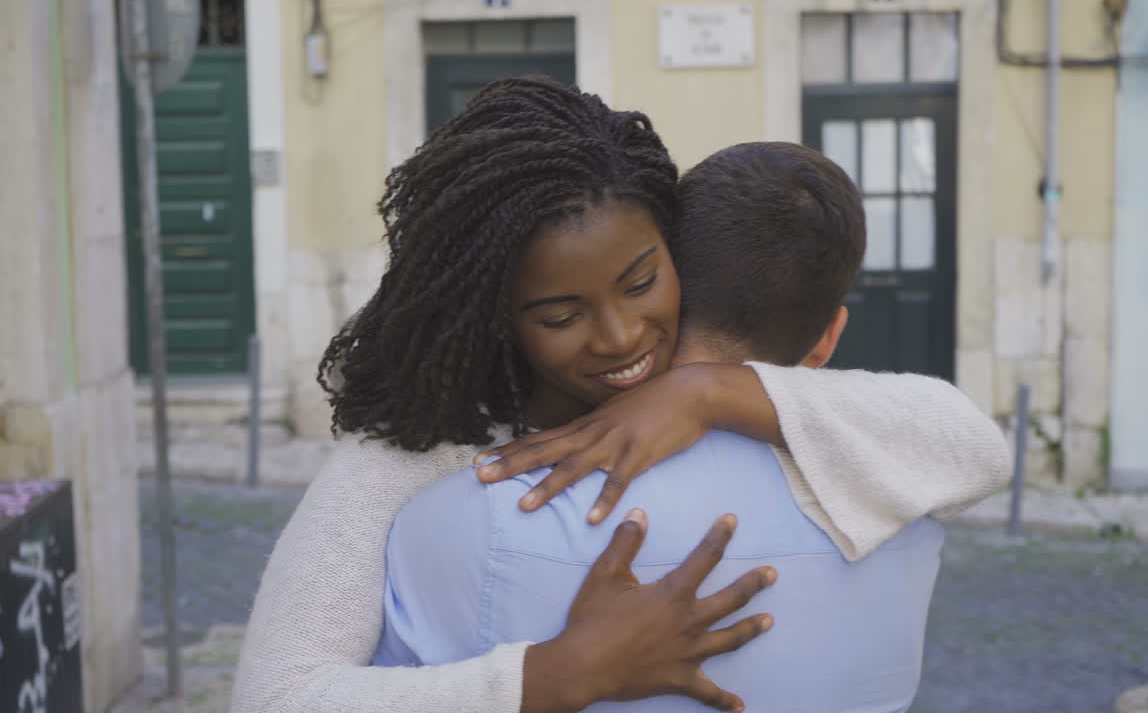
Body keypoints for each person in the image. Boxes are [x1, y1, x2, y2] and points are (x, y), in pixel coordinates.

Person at [231, 78, 1009, 713]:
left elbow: (970, 442)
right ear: (491, 316)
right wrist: (557, 675)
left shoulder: (714, 397)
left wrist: (712, 392)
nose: (619, 336)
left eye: (642, 281)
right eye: (560, 315)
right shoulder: (411, 457)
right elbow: (273, 697)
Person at [374, 142, 946, 712]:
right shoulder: (909, 506)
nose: (620, 338)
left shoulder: (467, 519)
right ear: (829, 337)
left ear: (673, 281)